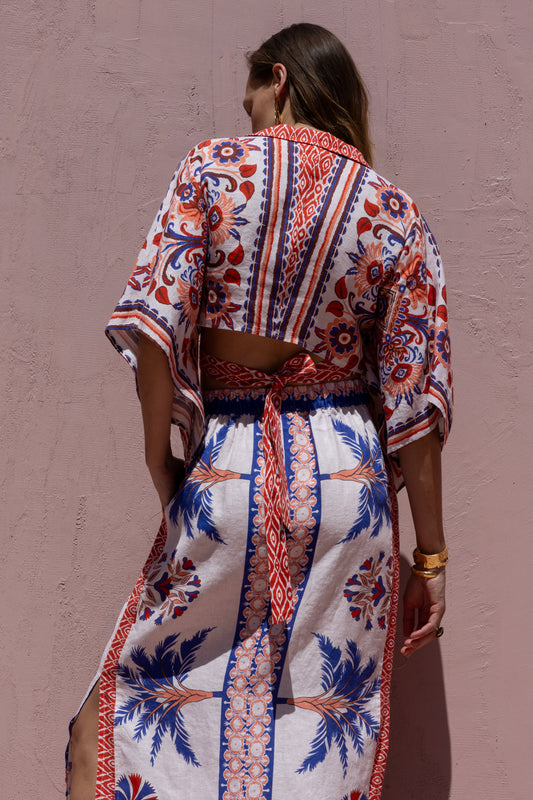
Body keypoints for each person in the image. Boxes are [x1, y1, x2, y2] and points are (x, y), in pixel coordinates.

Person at [67, 23, 452, 800]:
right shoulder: (393, 210)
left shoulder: (212, 170)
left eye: (251, 98)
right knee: (319, 721)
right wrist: (431, 560)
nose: (247, 114)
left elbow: (151, 325)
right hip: (348, 483)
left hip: (232, 465)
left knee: (130, 704)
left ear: (278, 78)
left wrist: (159, 456)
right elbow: (415, 400)